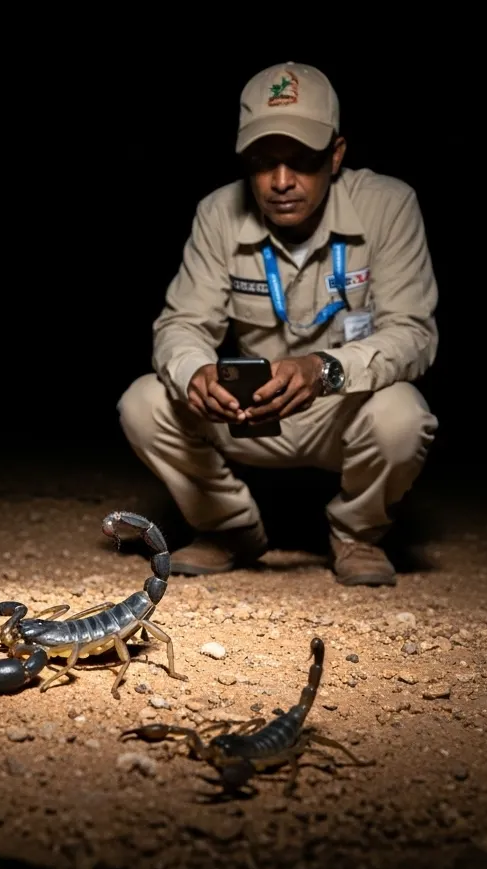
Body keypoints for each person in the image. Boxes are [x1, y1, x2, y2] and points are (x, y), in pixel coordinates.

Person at [117, 61, 439, 586]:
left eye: (303, 161)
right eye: (265, 161)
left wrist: (323, 369)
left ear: (335, 156)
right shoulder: (219, 212)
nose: (282, 182)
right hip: (249, 411)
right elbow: (180, 325)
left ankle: (356, 534)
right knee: (144, 400)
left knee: (403, 415)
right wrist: (197, 371)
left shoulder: (389, 204)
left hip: (339, 408)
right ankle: (228, 529)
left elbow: (414, 334)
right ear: (245, 159)